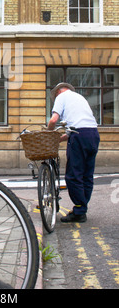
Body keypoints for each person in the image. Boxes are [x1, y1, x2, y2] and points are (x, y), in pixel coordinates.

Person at [47, 82, 100, 223]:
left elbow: (53, 120)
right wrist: (59, 139)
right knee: (87, 175)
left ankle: (79, 211)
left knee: (73, 175)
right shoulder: (80, 98)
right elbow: (79, 128)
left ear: (58, 92)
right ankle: (82, 207)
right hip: (93, 134)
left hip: (79, 136)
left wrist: (48, 133)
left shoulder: (61, 97)